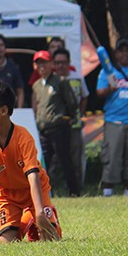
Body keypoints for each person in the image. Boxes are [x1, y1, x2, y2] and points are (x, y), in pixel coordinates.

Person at [0, 79, 63, 243]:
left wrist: (40, 212)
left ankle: (42, 216)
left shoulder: (23, 137)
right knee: (7, 242)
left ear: (3, 111)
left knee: (49, 239)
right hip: (7, 196)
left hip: (34, 192)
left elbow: (33, 176)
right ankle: (27, 223)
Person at [32, 50, 81, 197]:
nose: (42, 66)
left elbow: (72, 102)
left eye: (44, 62)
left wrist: (69, 117)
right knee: (43, 162)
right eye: (38, 63)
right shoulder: (36, 85)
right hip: (43, 129)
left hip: (59, 127)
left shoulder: (60, 81)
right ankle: (44, 192)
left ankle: (74, 191)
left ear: (51, 64)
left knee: (65, 160)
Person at [95, 39, 128, 197]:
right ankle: (108, 191)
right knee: (111, 157)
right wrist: (110, 88)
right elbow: (99, 93)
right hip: (113, 120)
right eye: (121, 51)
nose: (125, 54)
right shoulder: (107, 71)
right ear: (116, 54)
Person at [53, 47, 88, 190]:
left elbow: (84, 97)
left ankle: (76, 189)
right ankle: (50, 190)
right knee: (54, 159)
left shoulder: (77, 78)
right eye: (57, 62)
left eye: (63, 62)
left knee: (75, 158)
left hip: (74, 125)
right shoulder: (51, 79)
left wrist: (80, 113)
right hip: (55, 126)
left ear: (69, 62)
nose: (61, 65)